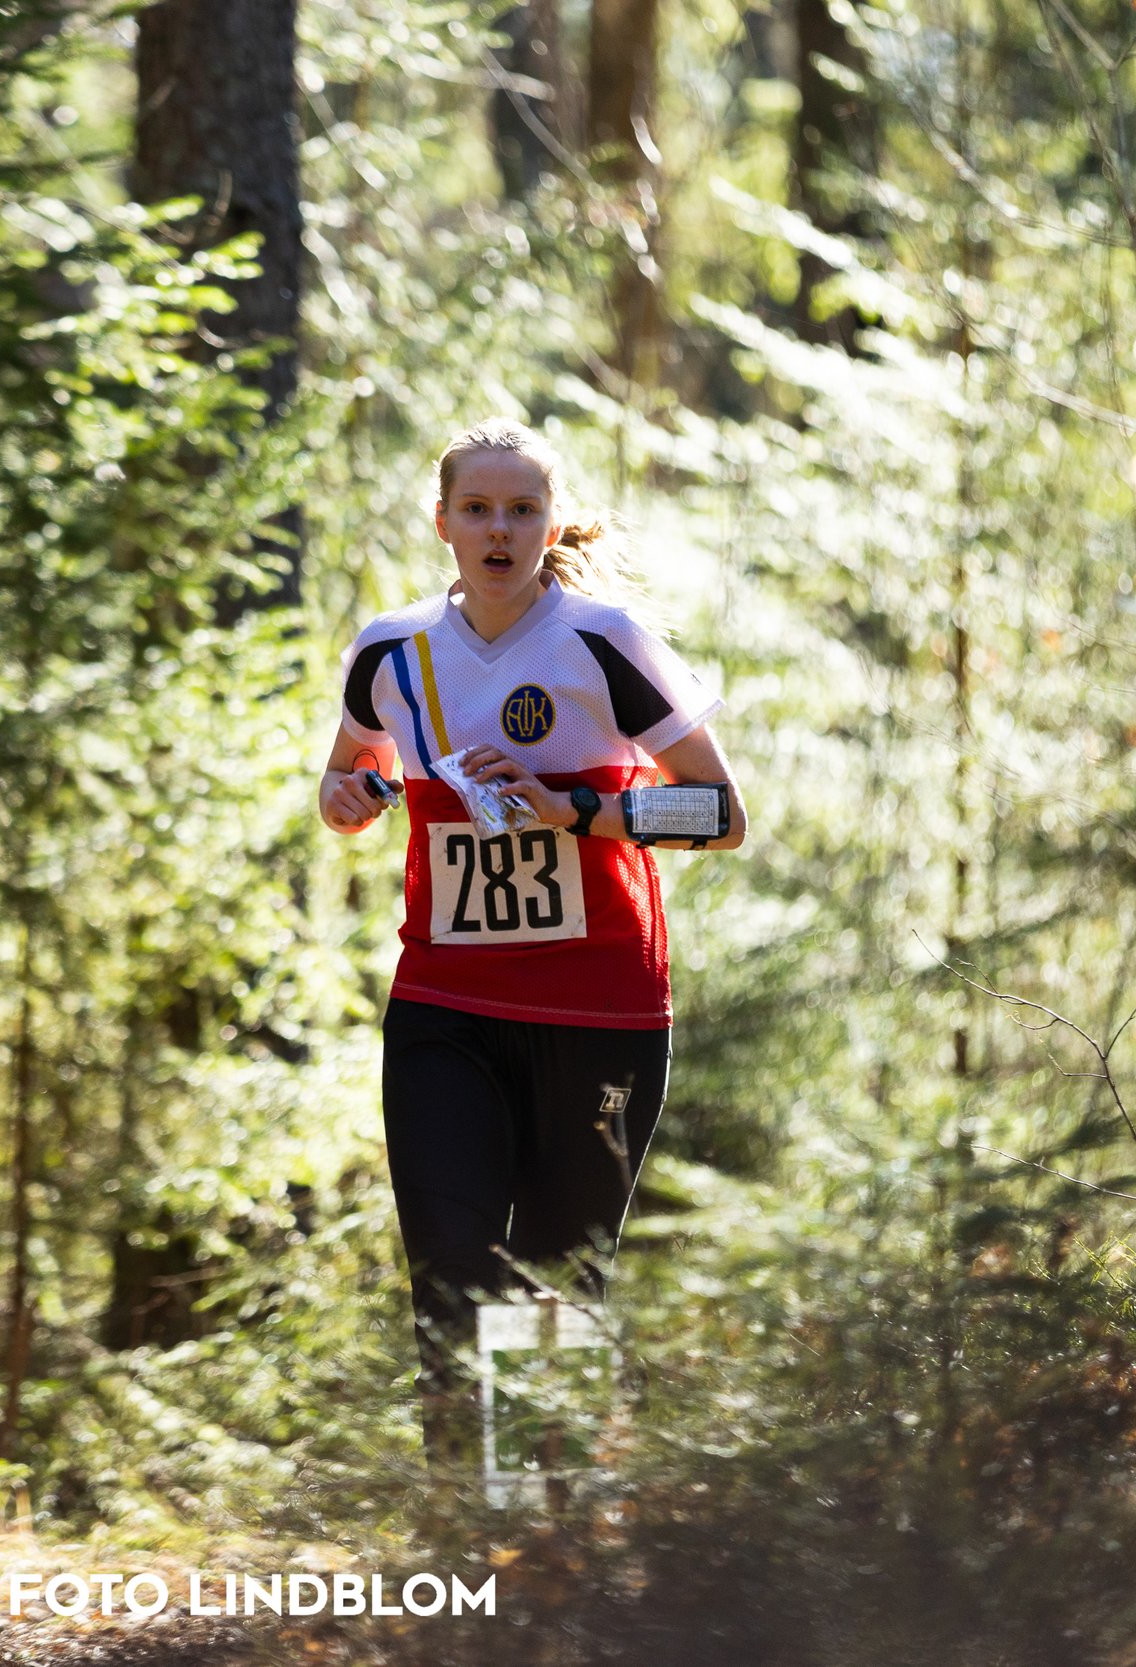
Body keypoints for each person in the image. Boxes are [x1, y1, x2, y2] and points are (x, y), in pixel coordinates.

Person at [317, 417, 749, 1472]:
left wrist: (579, 813)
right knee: (451, 1265)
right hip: (445, 1006)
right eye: (477, 508)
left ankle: (551, 1526)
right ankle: (466, 1519)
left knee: (556, 1281)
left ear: (549, 524)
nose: (498, 527)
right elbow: (339, 788)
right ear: (442, 524)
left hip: (597, 1010)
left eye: (520, 509)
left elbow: (721, 812)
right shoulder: (393, 649)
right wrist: (356, 795)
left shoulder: (603, 641)